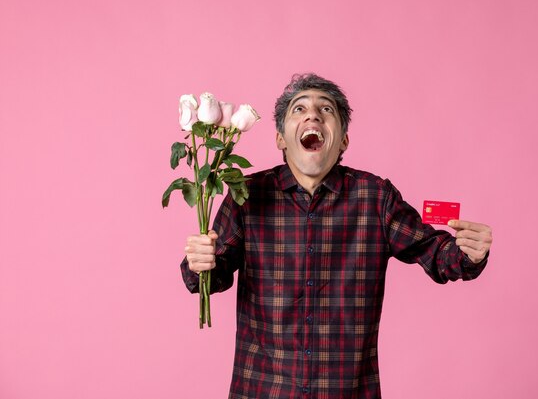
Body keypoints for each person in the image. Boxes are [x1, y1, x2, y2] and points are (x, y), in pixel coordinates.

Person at [180, 73, 493, 398]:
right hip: (262, 390)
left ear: (343, 139)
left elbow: (436, 253)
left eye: (326, 109)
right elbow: (211, 274)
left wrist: (468, 253)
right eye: (299, 109)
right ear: (280, 139)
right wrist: (199, 263)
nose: (313, 114)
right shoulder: (247, 195)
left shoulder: (376, 198)